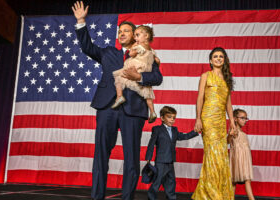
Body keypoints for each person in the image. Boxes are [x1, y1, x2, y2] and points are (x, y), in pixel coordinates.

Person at [72, 1, 163, 200]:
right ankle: (97, 196)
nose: (121, 33)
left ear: (135, 35)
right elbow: (87, 47)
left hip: (133, 110)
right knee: (101, 155)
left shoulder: (146, 56)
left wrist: (139, 78)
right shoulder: (107, 53)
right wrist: (81, 21)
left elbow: (157, 78)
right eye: (120, 31)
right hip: (107, 108)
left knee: (131, 158)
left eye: (127, 31)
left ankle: (127, 197)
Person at [192, 47, 236, 199]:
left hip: (220, 122)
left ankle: (220, 190)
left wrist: (232, 122)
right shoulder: (206, 76)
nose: (218, 58)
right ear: (210, 60)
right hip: (208, 119)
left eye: (221, 56)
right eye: (215, 56)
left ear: (224, 60)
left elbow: (228, 104)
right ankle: (210, 192)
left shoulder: (227, 78)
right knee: (212, 154)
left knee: (221, 154)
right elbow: (199, 98)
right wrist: (198, 118)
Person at [145, 106, 199, 200]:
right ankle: (151, 198)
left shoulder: (175, 130)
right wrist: (148, 157)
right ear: (162, 118)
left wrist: (195, 132)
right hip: (161, 162)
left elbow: (184, 136)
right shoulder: (157, 129)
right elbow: (151, 144)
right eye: (169, 117)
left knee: (171, 182)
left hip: (170, 161)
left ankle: (171, 198)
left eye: (174, 118)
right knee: (157, 182)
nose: (172, 120)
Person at [111, 25, 157, 123]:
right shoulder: (151, 50)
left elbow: (131, 55)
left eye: (137, 35)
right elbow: (157, 61)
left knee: (118, 77)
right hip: (145, 69)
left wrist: (132, 49)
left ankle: (120, 96)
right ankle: (152, 112)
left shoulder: (138, 46)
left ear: (146, 36)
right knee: (147, 93)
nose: (135, 38)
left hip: (135, 67)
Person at [228, 109, 255, 200]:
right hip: (238, 159)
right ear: (235, 119)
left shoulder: (243, 133)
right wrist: (230, 135)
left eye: (245, 118)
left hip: (245, 160)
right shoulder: (234, 130)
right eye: (242, 118)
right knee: (235, 181)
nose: (244, 120)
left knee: (246, 180)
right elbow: (227, 141)